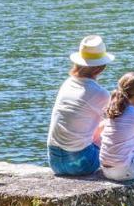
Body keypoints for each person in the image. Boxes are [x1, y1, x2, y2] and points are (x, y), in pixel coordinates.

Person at [46, 35, 115, 176]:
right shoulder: (100, 93)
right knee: (122, 133)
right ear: (101, 68)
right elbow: (117, 125)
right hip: (80, 163)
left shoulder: (67, 84)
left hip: (55, 163)